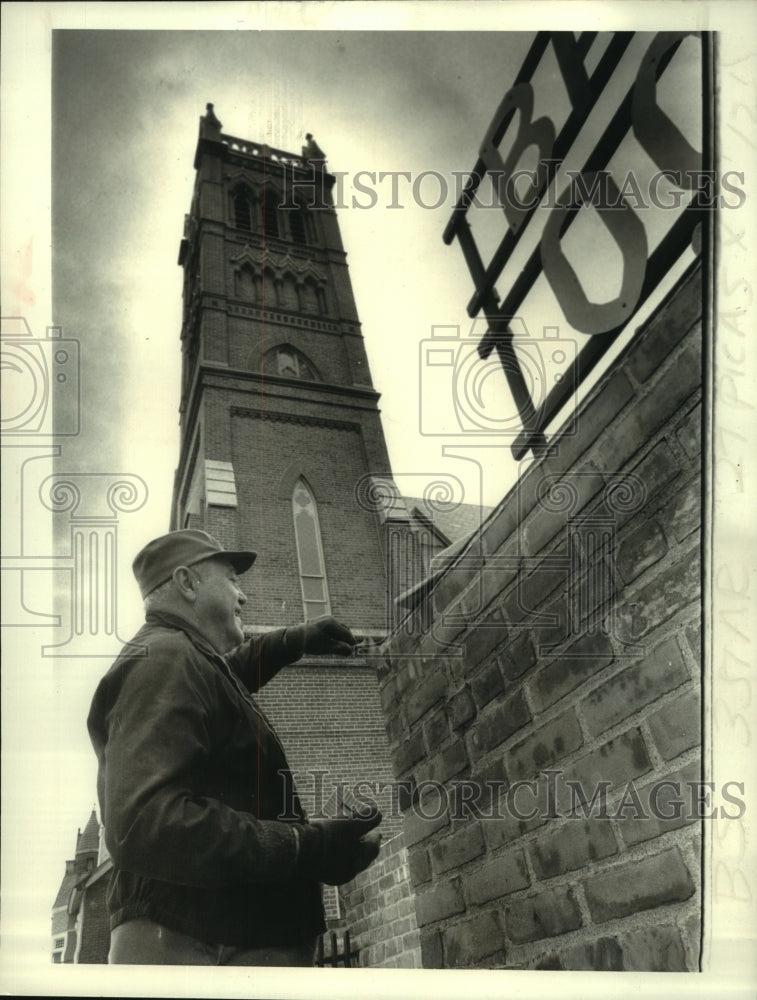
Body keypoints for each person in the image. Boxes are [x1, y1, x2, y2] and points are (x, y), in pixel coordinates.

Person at [87, 528, 382, 966]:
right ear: (187, 583)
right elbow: (145, 823)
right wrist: (306, 847)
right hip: (202, 944)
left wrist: (291, 642)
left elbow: (221, 680)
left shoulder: (182, 659)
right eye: (232, 580)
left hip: (223, 937)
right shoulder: (166, 660)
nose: (243, 597)